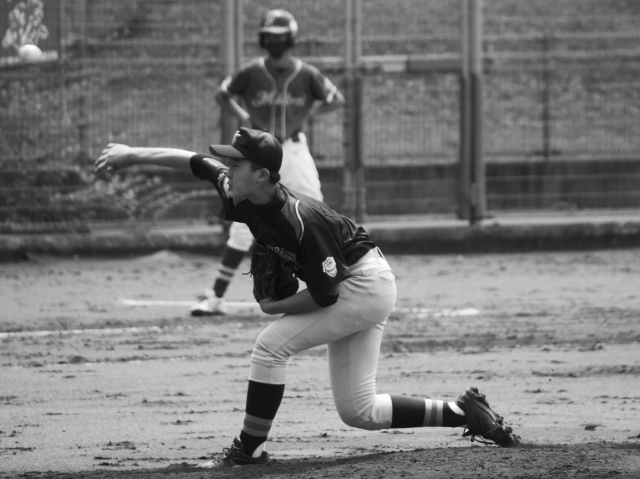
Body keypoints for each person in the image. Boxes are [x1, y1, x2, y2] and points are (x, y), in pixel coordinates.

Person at [95, 128, 521, 468]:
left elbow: (325, 296)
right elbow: (193, 161)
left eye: (237, 163)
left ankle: (250, 450)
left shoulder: (300, 219)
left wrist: (274, 306)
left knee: (269, 347)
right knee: (359, 411)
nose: (228, 169)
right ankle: (466, 413)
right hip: (358, 283)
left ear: (262, 175)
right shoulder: (240, 189)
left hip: (363, 285)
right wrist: (131, 155)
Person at [191, 8, 345, 316]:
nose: (275, 42)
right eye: (269, 37)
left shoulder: (306, 73)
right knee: (243, 224)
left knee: (316, 214)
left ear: (291, 39)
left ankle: (340, 281)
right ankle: (216, 296)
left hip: (294, 151)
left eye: (280, 37)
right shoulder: (251, 71)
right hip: (256, 156)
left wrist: (305, 114)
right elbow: (222, 94)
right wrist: (245, 117)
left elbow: (336, 99)